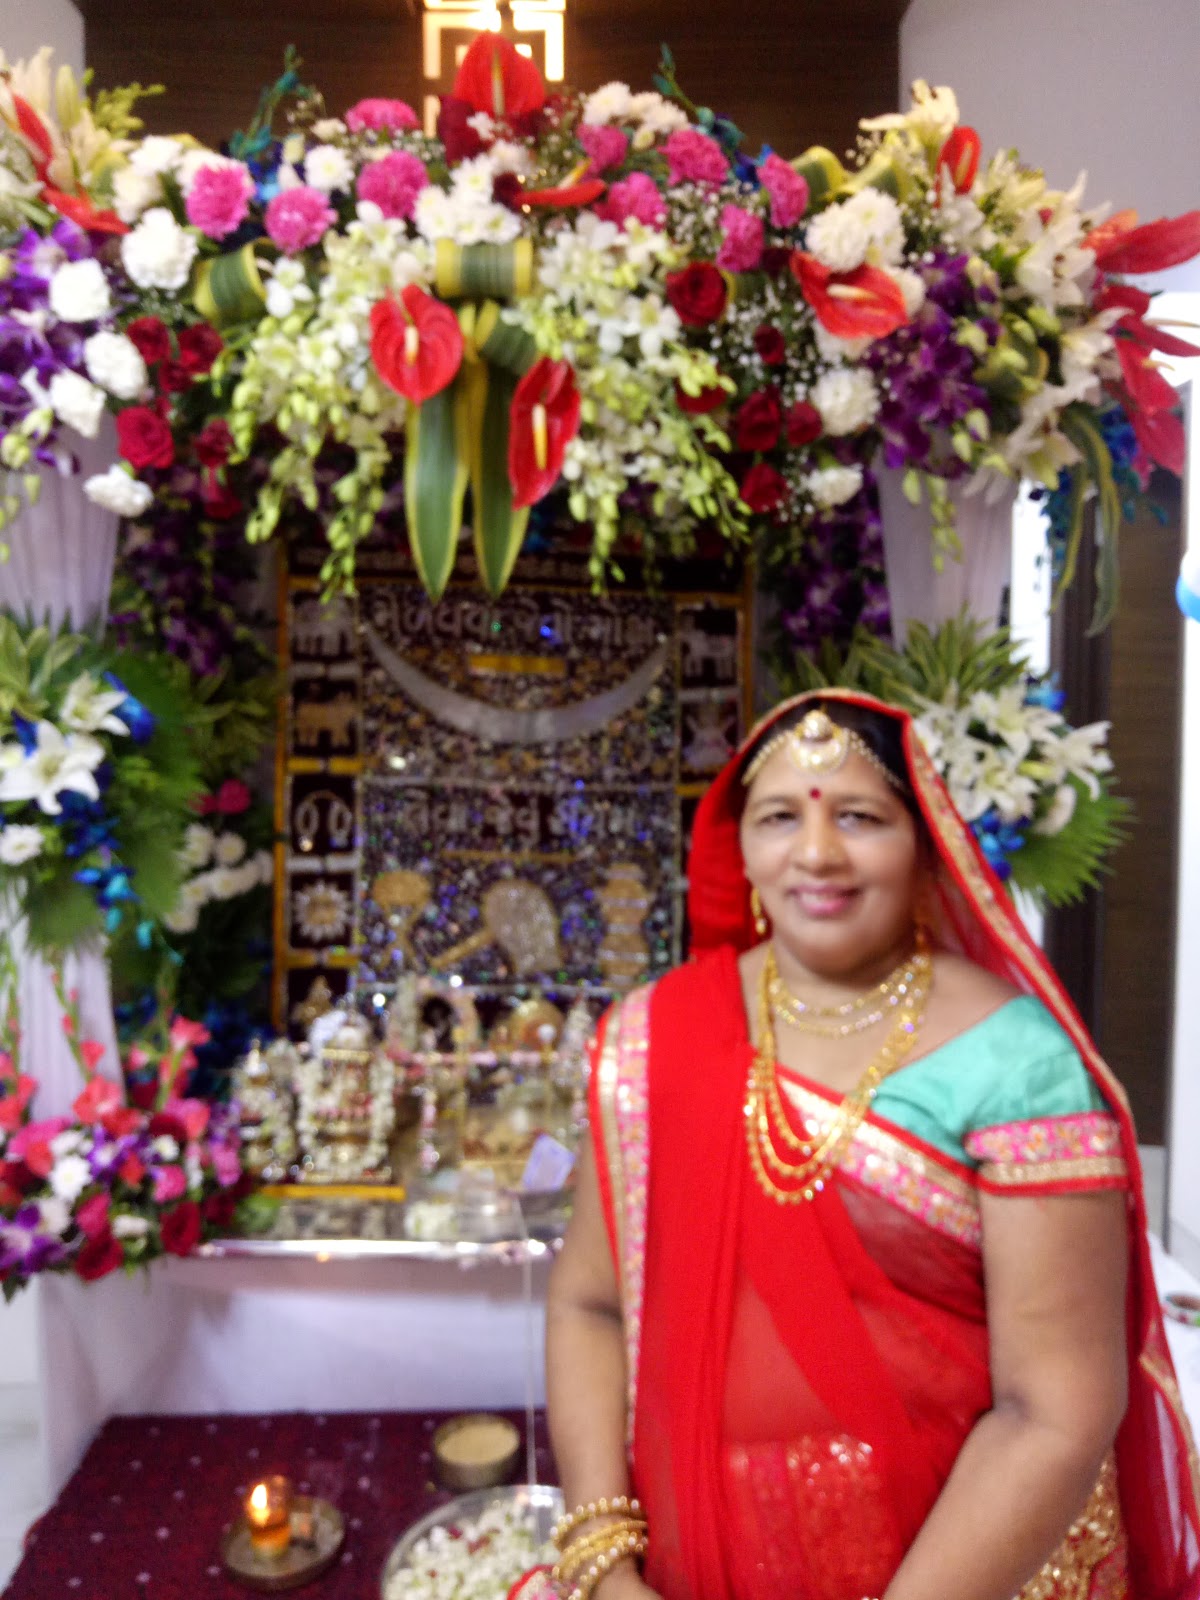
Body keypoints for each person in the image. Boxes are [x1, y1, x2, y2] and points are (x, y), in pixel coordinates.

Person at [545, 690, 1200, 1600]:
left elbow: (1055, 1412)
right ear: (740, 845)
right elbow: (591, 1307)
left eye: (859, 816)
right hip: (688, 1560)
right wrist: (604, 1561)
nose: (817, 854)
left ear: (926, 844)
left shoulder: (1018, 1066)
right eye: (780, 817)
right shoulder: (658, 1038)